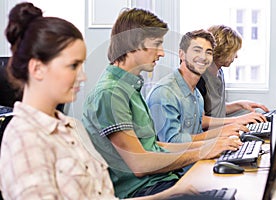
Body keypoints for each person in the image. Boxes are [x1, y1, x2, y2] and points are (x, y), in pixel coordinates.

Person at [0, 3, 197, 200]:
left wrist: (173, 193)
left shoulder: (70, 128)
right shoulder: (25, 139)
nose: (83, 77)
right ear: (37, 69)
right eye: (73, 66)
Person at [82, 8, 242, 199]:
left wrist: (212, 145)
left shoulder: (128, 88)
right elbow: (140, 164)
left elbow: (154, 145)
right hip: (142, 189)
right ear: (133, 44)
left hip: (160, 180)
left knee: (230, 188)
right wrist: (202, 151)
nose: (162, 53)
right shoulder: (110, 93)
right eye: (157, 44)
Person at [146, 29, 267, 146]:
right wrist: (221, 132)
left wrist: (223, 140)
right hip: (182, 165)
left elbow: (198, 133)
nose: (203, 57)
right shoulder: (165, 93)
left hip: (196, 158)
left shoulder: (196, 94)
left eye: (208, 52)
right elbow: (171, 143)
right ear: (181, 54)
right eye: (197, 50)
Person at [196, 25, 269, 118]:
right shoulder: (199, 78)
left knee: (259, 112)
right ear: (223, 51)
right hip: (211, 130)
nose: (236, 56)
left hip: (219, 123)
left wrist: (240, 104)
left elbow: (215, 110)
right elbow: (200, 121)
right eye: (234, 52)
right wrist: (238, 120)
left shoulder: (219, 72)